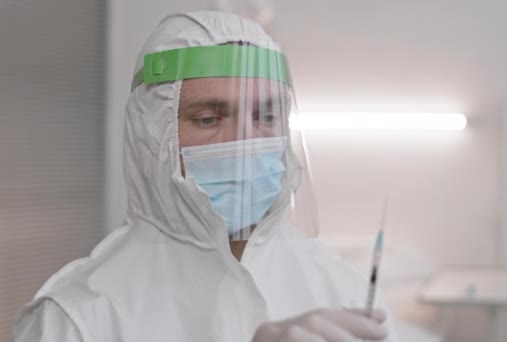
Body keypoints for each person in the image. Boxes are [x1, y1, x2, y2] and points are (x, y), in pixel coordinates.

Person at [12, 11, 398, 341]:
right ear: (154, 134)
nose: (246, 144)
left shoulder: (342, 288)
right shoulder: (76, 319)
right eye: (209, 119)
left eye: (266, 117)